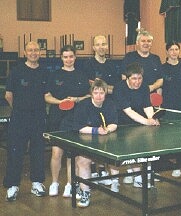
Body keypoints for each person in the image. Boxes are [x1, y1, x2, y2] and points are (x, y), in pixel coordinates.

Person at [3, 41, 47, 201]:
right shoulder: (16, 71)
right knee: (16, 151)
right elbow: (8, 95)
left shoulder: (44, 72)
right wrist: (21, 109)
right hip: (19, 118)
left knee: (38, 150)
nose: (34, 52)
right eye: (30, 50)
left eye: (36, 50)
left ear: (40, 53)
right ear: (25, 52)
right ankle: (13, 185)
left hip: (38, 117)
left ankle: (37, 183)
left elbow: (47, 95)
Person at [45, 45, 90, 198]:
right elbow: (47, 96)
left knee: (72, 153)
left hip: (75, 118)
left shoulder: (82, 75)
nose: (69, 59)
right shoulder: (54, 75)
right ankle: (54, 183)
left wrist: (77, 99)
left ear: (75, 57)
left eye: (71, 56)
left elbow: (89, 96)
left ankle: (70, 184)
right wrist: (60, 102)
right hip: (57, 117)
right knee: (56, 153)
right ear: (61, 58)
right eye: (65, 57)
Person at [113, 62, 160, 187]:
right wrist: (146, 121)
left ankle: (141, 174)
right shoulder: (119, 88)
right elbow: (128, 110)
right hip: (121, 123)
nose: (137, 82)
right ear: (127, 78)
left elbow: (147, 105)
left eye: (139, 78)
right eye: (134, 79)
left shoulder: (144, 87)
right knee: (129, 149)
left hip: (137, 121)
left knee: (144, 147)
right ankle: (136, 175)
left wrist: (152, 118)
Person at [73, 79, 118, 208]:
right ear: (91, 93)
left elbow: (114, 123)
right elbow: (79, 127)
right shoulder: (83, 105)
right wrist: (96, 130)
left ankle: (114, 181)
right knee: (82, 161)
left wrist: (107, 129)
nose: (99, 96)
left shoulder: (110, 104)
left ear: (106, 94)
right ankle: (85, 192)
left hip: (102, 138)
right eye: (96, 92)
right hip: (84, 137)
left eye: (102, 93)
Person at [82, 35, 121, 179]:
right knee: (93, 139)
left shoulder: (111, 65)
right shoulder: (88, 65)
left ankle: (104, 170)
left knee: (106, 138)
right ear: (93, 48)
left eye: (104, 44)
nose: (101, 47)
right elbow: (91, 85)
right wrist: (104, 88)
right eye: (98, 44)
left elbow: (114, 88)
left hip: (108, 106)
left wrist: (102, 86)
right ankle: (93, 170)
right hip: (93, 106)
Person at [161, 42, 181, 177]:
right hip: (168, 107)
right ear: (167, 52)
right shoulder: (162, 68)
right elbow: (160, 88)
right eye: (171, 50)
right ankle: (168, 165)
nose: (174, 52)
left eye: (176, 49)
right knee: (168, 137)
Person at [121, 28, 163, 93]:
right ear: (137, 43)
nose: (146, 43)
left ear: (151, 43)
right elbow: (124, 77)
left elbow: (160, 79)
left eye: (149, 41)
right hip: (133, 95)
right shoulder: (129, 57)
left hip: (151, 97)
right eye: (143, 41)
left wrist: (152, 87)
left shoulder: (156, 59)